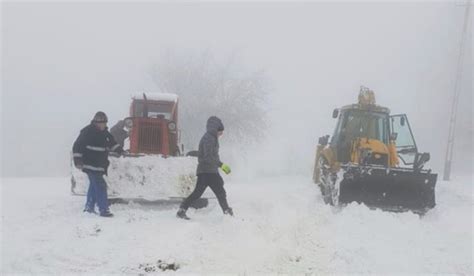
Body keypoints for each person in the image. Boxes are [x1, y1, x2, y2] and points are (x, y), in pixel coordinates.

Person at [176, 116, 233, 220]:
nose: (221, 134)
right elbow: (208, 156)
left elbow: (209, 155)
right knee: (215, 192)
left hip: (209, 171)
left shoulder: (212, 138)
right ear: (216, 129)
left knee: (210, 192)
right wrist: (221, 165)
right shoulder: (209, 138)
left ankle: (182, 210)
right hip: (207, 171)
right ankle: (227, 212)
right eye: (221, 131)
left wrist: (218, 166)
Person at [72, 111, 124, 217]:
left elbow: (112, 143)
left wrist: (120, 150)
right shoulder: (87, 132)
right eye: (102, 123)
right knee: (101, 186)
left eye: (105, 123)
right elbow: (77, 146)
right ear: (96, 122)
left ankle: (89, 207)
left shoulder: (105, 133)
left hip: (99, 165)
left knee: (93, 186)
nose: (104, 125)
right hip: (90, 164)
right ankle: (103, 209)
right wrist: (78, 160)